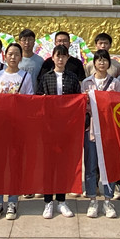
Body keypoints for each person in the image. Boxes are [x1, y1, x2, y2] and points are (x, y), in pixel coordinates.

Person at [0, 43, 34, 220]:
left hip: (17, 126)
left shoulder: (26, 76)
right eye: (10, 54)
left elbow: (30, 100)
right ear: (5, 56)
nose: (13, 57)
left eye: (16, 54)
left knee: (14, 164)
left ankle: (13, 201)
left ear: (21, 57)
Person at [37, 44, 81, 218]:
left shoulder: (72, 78)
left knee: (63, 165)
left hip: (66, 127)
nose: (61, 59)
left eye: (64, 56)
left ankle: (62, 200)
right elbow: (38, 97)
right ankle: (48, 201)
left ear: (67, 58)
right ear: (52, 57)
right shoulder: (46, 77)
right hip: (48, 127)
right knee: (48, 165)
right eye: (58, 56)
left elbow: (77, 100)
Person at [81, 49, 120, 218]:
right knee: (91, 165)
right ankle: (92, 199)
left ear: (109, 63)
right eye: (98, 60)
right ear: (94, 63)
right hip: (91, 129)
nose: (102, 63)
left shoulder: (115, 83)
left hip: (109, 130)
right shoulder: (86, 83)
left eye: (105, 60)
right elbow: (81, 107)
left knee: (108, 165)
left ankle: (108, 200)